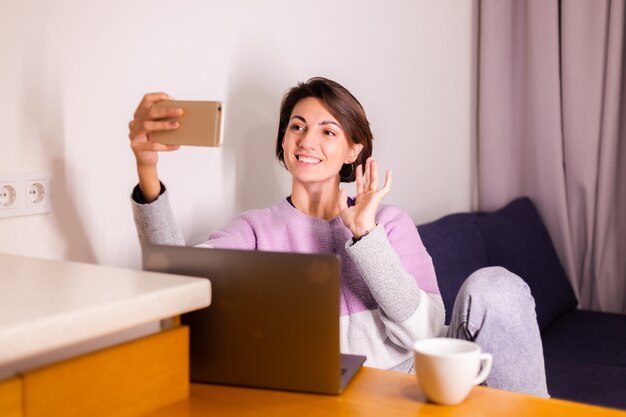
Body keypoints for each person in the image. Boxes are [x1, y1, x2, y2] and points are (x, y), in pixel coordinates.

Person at [128, 77, 549, 397]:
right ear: (283, 140)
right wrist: (148, 171)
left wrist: (365, 236)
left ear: (353, 151)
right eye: (297, 126)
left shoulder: (390, 222)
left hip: (407, 390)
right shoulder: (254, 230)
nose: (307, 140)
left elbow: (425, 335)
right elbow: (176, 284)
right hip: (323, 397)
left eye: (328, 131)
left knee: (495, 286)